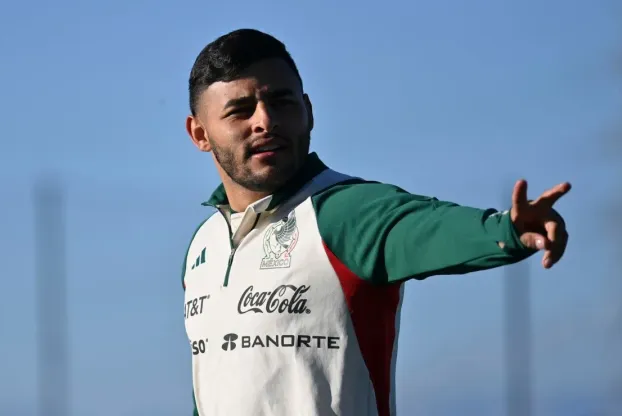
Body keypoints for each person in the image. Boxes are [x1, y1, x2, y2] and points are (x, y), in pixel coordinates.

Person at [181, 28, 570, 416]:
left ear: (309, 112)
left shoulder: (346, 211)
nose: (265, 120)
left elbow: (426, 226)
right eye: (240, 110)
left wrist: (508, 231)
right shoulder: (204, 244)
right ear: (200, 133)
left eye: (282, 102)